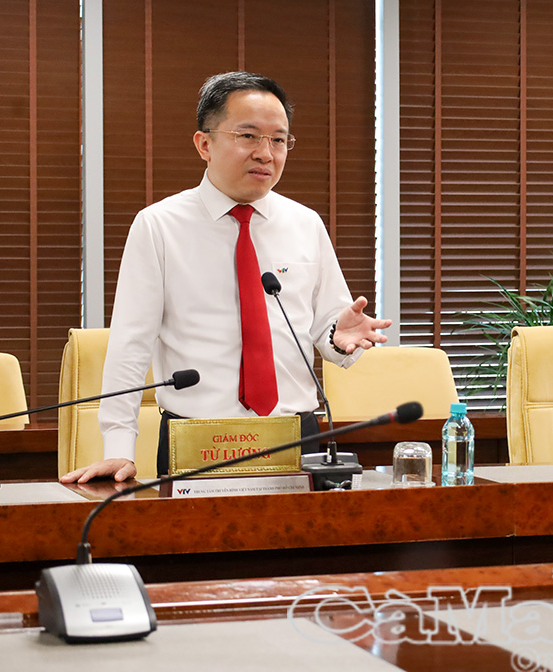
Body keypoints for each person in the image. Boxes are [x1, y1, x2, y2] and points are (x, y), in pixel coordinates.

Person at [61, 72, 390, 484]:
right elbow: (131, 346)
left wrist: (339, 339)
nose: (265, 153)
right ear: (205, 144)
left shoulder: (306, 224)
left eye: (278, 140)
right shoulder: (159, 226)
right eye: (248, 136)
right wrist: (118, 449)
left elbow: (331, 333)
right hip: (197, 440)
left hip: (295, 438)